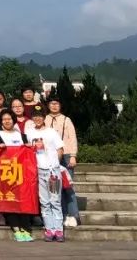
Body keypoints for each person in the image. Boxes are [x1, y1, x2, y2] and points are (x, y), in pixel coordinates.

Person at [0, 109, 34, 242]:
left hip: (22, 175)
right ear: (0, 121)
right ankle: (16, 228)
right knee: (10, 201)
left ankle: (25, 228)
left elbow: (29, 154)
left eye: (9, 118)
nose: (7, 121)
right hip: (5, 175)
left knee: (23, 200)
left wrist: (29, 148)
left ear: (13, 120)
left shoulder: (22, 136)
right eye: (4, 119)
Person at [28, 107, 65, 242]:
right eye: (35, 116)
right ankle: (49, 229)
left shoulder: (51, 132)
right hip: (38, 171)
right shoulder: (29, 132)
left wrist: (55, 164)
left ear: (44, 117)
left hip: (52, 172)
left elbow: (60, 149)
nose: (37, 118)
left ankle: (58, 229)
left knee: (55, 200)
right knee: (44, 201)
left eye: (40, 116)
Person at [47, 97, 80, 227]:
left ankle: (74, 215)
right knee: (55, 188)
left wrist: (73, 155)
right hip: (51, 156)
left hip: (66, 155)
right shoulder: (45, 119)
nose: (54, 106)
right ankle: (62, 214)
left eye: (57, 104)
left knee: (68, 186)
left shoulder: (66, 119)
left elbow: (73, 138)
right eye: (52, 104)